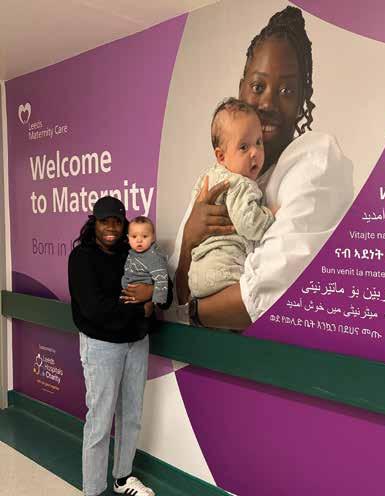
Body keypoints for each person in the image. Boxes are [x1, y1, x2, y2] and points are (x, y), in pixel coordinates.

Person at [170, 6, 353, 329]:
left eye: (287, 91)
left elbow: (259, 297)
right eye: (258, 87)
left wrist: (188, 314)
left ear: (302, 99)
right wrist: (187, 241)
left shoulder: (315, 160)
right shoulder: (217, 179)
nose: (268, 103)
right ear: (241, 89)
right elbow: (173, 287)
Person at [68, 196, 165, 496]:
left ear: (124, 224)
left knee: (131, 415)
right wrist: (141, 308)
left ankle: (122, 478)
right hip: (102, 346)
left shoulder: (133, 252)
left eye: (117, 221)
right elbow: (95, 309)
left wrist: (150, 292)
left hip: (136, 343)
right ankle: (93, 490)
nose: (111, 227)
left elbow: (165, 288)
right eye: (104, 221)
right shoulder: (82, 257)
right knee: (99, 421)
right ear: (94, 223)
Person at [188, 97, 274, 298]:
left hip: (198, 271)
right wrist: (269, 215)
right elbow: (249, 224)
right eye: (244, 147)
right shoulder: (240, 183)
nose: (255, 152)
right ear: (221, 156)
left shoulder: (207, 177)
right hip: (224, 271)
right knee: (255, 296)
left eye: (258, 142)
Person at [122, 215, 171, 306]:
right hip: (128, 292)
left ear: (153, 238)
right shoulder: (132, 252)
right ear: (128, 238)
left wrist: (155, 302)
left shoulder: (154, 257)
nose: (139, 240)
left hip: (145, 297)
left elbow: (161, 279)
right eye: (134, 236)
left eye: (144, 236)